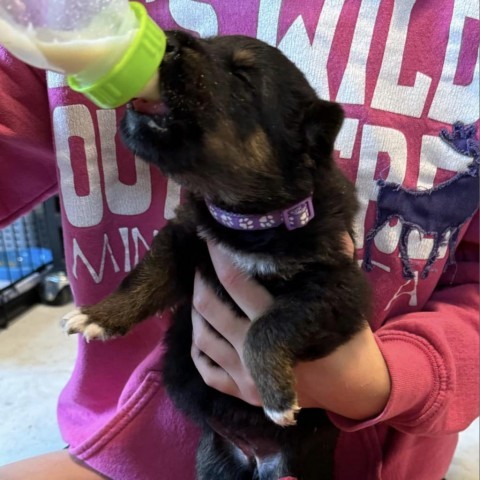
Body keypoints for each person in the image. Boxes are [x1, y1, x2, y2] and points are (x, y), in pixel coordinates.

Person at [0, 1, 478, 479]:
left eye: (241, 78)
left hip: (368, 453)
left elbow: (333, 293)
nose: (175, 52)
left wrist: (384, 381)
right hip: (141, 448)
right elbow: (175, 254)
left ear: (305, 139)